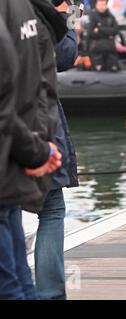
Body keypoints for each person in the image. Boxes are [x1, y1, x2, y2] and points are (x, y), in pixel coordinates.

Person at [0, 0, 62, 300]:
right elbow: (39, 87)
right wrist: (39, 148)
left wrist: (37, 151)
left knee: (10, 286)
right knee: (18, 282)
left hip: (18, 150)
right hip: (22, 152)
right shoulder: (28, 11)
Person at [32, 0, 80, 300]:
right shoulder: (39, 13)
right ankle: (50, 294)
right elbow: (65, 56)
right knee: (51, 209)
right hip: (36, 118)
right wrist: (69, 16)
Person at [87, 0, 120, 71]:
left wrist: (100, 29)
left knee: (113, 68)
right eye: (100, 4)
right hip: (97, 50)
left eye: (103, 4)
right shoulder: (92, 17)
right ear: (96, 5)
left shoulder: (111, 17)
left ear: (106, 5)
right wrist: (108, 34)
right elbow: (90, 33)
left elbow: (115, 30)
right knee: (98, 69)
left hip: (110, 49)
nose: (102, 7)